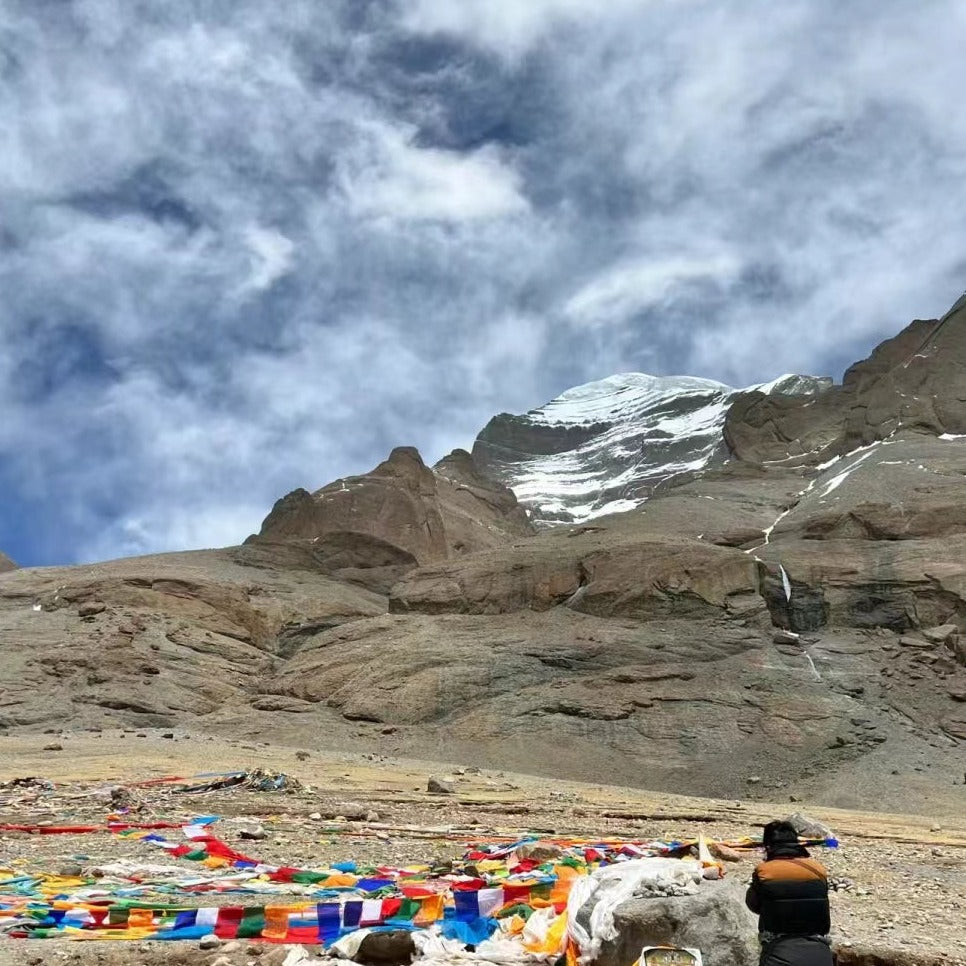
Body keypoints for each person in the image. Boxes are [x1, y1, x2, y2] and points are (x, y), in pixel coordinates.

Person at [745, 820, 834, 966]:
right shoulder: (818, 870)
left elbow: (753, 904)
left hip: (779, 954)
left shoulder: (765, 871)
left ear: (768, 846)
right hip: (821, 954)